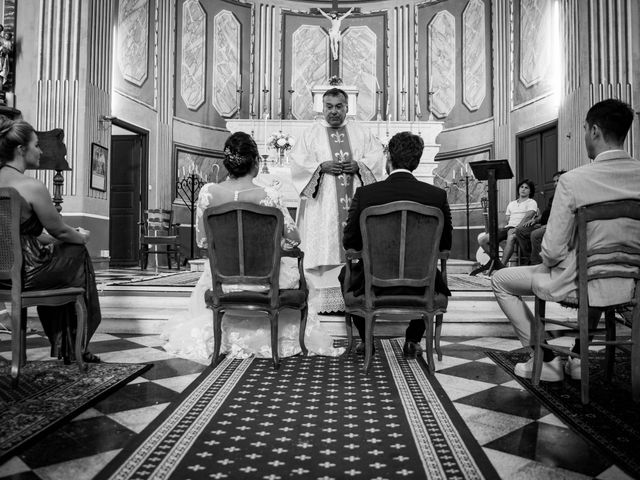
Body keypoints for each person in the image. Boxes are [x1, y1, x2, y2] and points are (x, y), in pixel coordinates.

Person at [492, 99, 640, 381]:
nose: (584, 134)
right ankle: (579, 357)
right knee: (593, 272)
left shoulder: (574, 181)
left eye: (584, 129)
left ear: (595, 130)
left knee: (500, 280)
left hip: (579, 281)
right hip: (629, 284)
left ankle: (544, 359)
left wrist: (561, 258)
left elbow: (550, 252)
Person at [162, 131, 343, 361]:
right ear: (255, 162)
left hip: (224, 280)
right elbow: (294, 238)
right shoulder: (269, 195)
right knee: (295, 273)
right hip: (265, 280)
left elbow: (202, 241)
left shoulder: (208, 193)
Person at [340, 131, 452, 357]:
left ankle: (366, 339)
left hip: (374, 283)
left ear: (389, 157)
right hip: (422, 284)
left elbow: (349, 241)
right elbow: (445, 244)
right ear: (418, 161)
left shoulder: (366, 194)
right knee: (436, 276)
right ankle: (413, 339)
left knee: (346, 273)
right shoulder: (436, 196)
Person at [0, 117, 102, 363]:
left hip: (4, 270)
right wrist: (82, 237)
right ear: (21, 149)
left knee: (65, 261)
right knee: (76, 253)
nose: (41, 150)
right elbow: (61, 232)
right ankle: (74, 346)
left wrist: (59, 239)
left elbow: (19, 235)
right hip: (27, 270)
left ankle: (66, 342)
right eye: (36, 145)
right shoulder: (31, 185)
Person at [289, 88, 384, 313]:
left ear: (347, 108)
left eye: (338, 106)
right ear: (322, 108)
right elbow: (298, 164)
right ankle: (322, 300)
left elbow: (377, 157)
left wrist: (359, 166)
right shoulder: (310, 134)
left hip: (354, 202)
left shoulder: (361, 132)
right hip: (324, 206)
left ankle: (354, 295)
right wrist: (320, 167)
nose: (334, 111)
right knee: (325, 246)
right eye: (329, 107)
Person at [472, 179, 537, 275]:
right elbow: (506, 219)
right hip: (508, 228)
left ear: (530, 191)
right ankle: (496, 261)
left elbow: (529, 216)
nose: (523, 189)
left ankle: (500, 268)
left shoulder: (531, 202)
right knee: (483, 240)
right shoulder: (511, 204)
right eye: (521, 187)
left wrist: (517, 228)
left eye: (526, 188)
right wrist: (499, 228)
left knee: (510, 237)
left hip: (522, 229)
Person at [516, 170, 566, 265]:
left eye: (558, 181)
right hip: (543, 224)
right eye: (554, 181)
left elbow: (564, 215)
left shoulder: (567, 195)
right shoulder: (553, 197)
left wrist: (549, 225)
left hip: (555, 226)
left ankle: (537, 263)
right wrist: (535, 220)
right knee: (520, 230)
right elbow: (547, 213)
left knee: (535, 234)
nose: (555, 184)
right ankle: (530, 257)